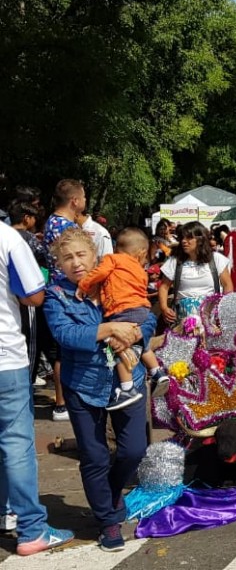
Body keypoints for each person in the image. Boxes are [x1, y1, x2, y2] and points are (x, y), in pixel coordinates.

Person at [44, 227, 153, 552]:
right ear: (59, 265)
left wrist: (134, 335)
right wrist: (108, 327)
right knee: (94, 457)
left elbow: (146, 316)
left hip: (128, 380)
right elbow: (66, 335)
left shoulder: (116, 276)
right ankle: (108, 521)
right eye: (67, 258)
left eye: (81, 255)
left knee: (134, 450)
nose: (76, 263)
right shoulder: (56, 295)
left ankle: (108, 493)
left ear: (95, 255)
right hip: (83, 386)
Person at [0, 221, 75, 555]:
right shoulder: (6, 237)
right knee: (15, 443)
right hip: (5, 357)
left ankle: (6, 512)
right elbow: (33, 295)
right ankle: (31, 528)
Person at [77, 227, 169, 410]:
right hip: (142, 309)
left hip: (122, 310)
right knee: (142, 343)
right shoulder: (139, 269)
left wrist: (84, 284)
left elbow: (100, 273)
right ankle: (157, 372)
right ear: (141, 253)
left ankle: (127, 389)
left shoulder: (112, 259)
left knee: (118, 346)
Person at [44, 178, 86, 422]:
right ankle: (63, 403)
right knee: (65, 349)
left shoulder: (52, 222)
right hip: (69, 292)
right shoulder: (65, 226)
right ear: (75, 201)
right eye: (83, 198)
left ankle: (64, 401)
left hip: (61, 290)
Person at [159, 221, 233, 325]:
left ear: (200, 239)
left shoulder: (217, 259)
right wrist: (164, 308)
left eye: (189, 238)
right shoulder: (175, 261)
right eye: (182, 238)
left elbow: (227, 285)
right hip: (183, 321)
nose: (184, 241)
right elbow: (164, 287)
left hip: (211, 318)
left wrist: (225, 310)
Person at [9, 201, 48, 384]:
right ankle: (28, 382)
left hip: (9, 299)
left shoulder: (6, 237)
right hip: (27, 296)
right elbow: (45, 259)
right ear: (26, 218)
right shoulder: (28, 239)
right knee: (30, 343)